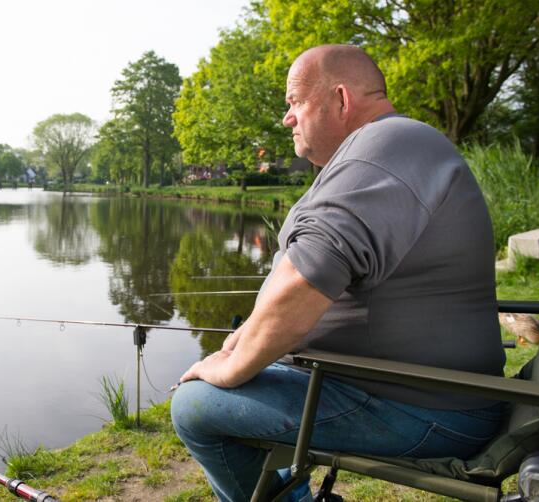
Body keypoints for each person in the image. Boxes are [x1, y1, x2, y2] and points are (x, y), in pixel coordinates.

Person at [170, 44, 507, 502]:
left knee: (197, 407)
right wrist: (245, 335)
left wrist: (228, 368)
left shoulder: (383, 148)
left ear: (342, 100)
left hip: (432, 408)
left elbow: (306, 279)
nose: (286, 117)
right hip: (408, 390)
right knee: (239, 381)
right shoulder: (388, 148)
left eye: (294, 102)